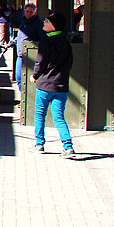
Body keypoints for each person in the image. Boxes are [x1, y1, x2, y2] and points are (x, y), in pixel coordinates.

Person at [30, 11, 75, 158]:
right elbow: (70, 64)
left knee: (40, 115)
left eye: (47, 21)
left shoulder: (46, 43)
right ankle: (68, 147)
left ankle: (39, 144)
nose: (44, 22)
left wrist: (35, 75)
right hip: (61, 86)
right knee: (59, 117)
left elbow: (40, 63)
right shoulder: (67, 45)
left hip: (45, 85)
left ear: (54, 26)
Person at [10, 3, 41, 84]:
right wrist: (12, 42)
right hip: (20, 54)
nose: (29, 13)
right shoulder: (23, 22)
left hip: (30, 54)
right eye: (27, 11)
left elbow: (42, 38)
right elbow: (20, 36)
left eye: (31, 12)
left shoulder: (38, 23)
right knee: (19, 78)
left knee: (26, 79)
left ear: (35, 12)